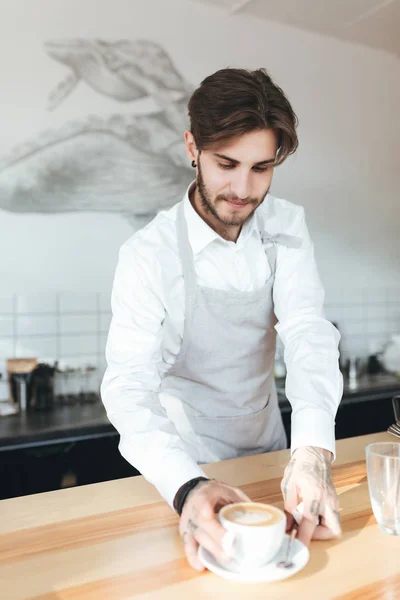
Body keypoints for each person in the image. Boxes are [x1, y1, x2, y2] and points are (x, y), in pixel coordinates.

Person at [101, 68, 343, 571]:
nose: (242, 188)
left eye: (261, 168)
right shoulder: (149, 254)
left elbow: (306, 332)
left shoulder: (287, 225)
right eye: (226, 163)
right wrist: (186, 485)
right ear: (193, 147)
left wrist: (313, 451)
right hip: (185, 460)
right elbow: (128, 384)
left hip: (275, 452)